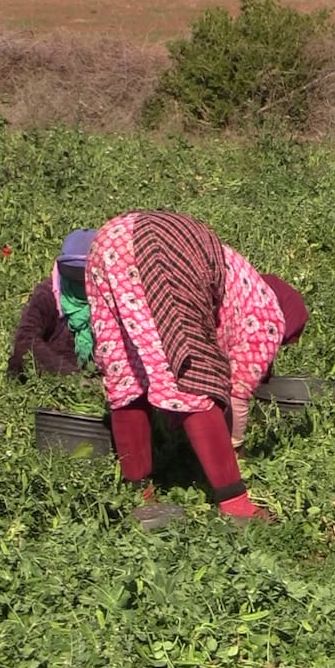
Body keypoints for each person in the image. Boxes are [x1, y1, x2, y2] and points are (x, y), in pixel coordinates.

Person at [86, 210, 309, 521]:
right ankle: (236, 505)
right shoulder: (268, 318)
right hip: (164, 246)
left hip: (110, 240)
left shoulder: (244, 284)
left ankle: (138, 495)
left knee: (128, 371)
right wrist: (235, 447)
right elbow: (238, 394)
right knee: (191, 372)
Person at [8, 228, 98, 379]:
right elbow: (25, 340)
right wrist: (71, 376)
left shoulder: (109, 295)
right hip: (53, 378)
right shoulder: (48, 294)